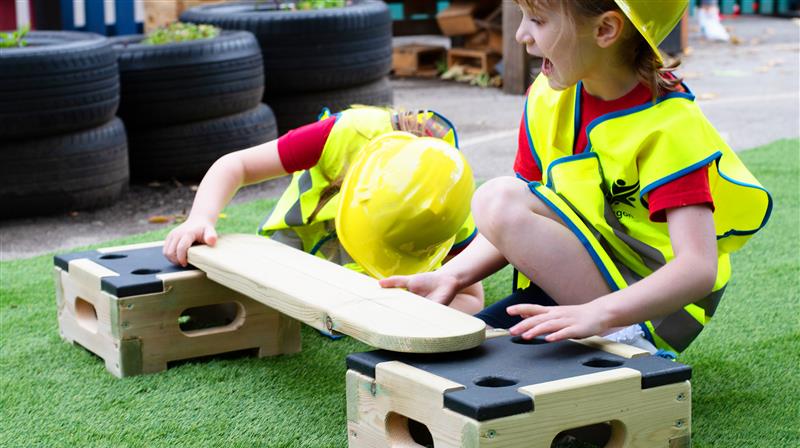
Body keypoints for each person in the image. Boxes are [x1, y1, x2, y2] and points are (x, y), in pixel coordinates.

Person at [380, 0, 771, 356]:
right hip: (584, 284)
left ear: (605, 30)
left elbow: (698, 268)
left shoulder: (669, 126)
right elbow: (521, 220)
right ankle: (588, 327)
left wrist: (601, 314)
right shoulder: (549, 97)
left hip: (650, 311)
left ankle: (628, 344)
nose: (521, 36)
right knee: (447, 361)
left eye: (537, 20)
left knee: (497, 198)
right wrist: (452, 274)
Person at [163, 106, 484, 314]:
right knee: (244, 304)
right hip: (295, 242)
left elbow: (471, 298)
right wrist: (200, 218)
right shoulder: (343, 133)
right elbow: (237, 165)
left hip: (380, 274)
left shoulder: (448, 205)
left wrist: (416, 307)